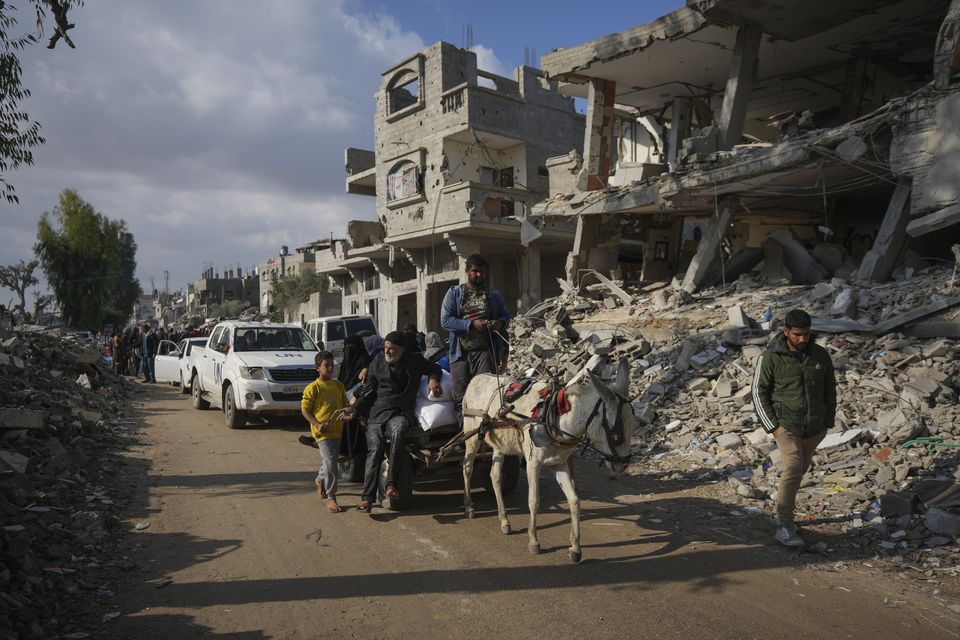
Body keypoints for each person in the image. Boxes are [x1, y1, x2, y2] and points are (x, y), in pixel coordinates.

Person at [753, 309, 836, 547]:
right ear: (786, 331)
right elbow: (758, 392)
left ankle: (782, 510)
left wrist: (827, 421)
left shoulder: (820, 355)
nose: (802, 339)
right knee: (793, 467)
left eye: (807, 335)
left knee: (800, 471)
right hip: (786, 425)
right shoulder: (769, 357)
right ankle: (785, 524)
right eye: (798, 334)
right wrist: (772, 426)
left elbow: (830, 389)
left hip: (814, 427)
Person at [353, 331, 442, 513]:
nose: (388, 351)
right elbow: (368, 393)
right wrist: (354, 409)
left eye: (392, 349)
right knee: (375, 448)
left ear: (402, 349)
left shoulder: (414, 360)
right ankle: (367, 498)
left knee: (399, 430)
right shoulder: (377, 362)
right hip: (377, 413)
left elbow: (435, 368)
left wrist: (433, 379)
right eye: (386, 347)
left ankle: (391, 485)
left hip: (400, 411)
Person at [440, 253, 510, 430]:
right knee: (461, 396)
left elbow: (505, 316)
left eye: (482, 272)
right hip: (460, 353)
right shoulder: (454, 294)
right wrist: (470, 325)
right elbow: (445, 320)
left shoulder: (493, 295)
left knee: (485, 394)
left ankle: (485, 436)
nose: (479, 275)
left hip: (485, 352)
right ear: (467, 272)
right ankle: (465, 436)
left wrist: (498, 323)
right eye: (475, 271)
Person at [301, 351, 355, 513]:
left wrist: (350, 412)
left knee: (330, 462)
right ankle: (331, 497)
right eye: (326, 365)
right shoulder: (313, 388)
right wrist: (317, 424)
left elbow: (345, 405)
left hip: (338, 431)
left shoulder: (338, 386)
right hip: (322, 434)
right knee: (332, 464)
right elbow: (305, 410)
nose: (330, 368)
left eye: (332, 365)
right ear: (318, 367)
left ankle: (319, 479)